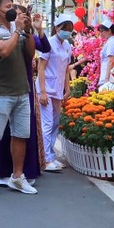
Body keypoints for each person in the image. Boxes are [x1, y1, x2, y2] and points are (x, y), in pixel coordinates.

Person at [0, 0, 37, 195]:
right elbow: (3, 50)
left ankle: (17, 177)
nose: (13, 10)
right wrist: (18, 30)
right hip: (2, 91)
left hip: (22, 90)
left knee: (20, 135)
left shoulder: (16, 30)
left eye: (13, 6)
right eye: (9, 6)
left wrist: (27, 30)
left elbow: (31, 54)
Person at [0, 4, 49, 186]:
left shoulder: (24, 34)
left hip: (25, 86)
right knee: (2, 130)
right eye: (16, 14)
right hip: (5, 86)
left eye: (22, 15)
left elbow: (44, 48)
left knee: (23, 131)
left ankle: (23, 171)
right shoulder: (0, 33)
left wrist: (36, 30)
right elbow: (0, 53)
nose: (19, 18)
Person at [38, 13, 76, 172]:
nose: (67, 31)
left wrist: (68, 88)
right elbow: (40, 67)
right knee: (46, 124)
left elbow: (66, 69)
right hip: (46, 87)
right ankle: (45, 159)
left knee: (55, 124)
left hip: (58, 89)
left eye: (69, 28)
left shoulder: (68, 46)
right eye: (64, 28)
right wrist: (43, 92)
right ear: (56, 28)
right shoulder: (48, 43)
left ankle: (51, 156)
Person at [97, 21, 114, 87]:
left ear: (109, 31)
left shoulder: (111, 43)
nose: (100, 33)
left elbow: (110, 61)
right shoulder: (110, 41)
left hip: (109, 77)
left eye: (102, 31)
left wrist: (106, 79)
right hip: (108, 75)